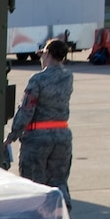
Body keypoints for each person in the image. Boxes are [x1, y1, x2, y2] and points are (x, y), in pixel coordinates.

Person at [8, 39, 74, 208]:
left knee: (34, 184)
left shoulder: (38, 79)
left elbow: (27, 109)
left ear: (47, 54)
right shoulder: (68, 77)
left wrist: (12, 135)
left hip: (38, 139)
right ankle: (63, 216)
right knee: (58, 181)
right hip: (62, 137)